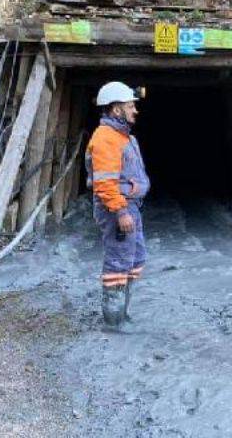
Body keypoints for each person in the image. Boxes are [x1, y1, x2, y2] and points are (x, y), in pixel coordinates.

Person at [86, 81, 150, 333]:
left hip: (129, 207)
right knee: (118, 261)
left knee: (136, 257)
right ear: (115, 110)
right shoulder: (106, 138)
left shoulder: (124, 137)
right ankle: (114, 321)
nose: (135, 110)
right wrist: (121, 211)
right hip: (116, 209)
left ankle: (122, 313)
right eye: (130, 106)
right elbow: (104, 183)